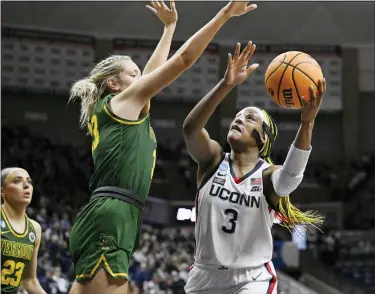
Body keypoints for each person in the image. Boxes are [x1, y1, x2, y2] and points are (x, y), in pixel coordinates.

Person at [68, 1, 258, 294]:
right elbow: (183, 60)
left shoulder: (123, 109)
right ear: (114, 84)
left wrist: (169, 28)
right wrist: (224, 15)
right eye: (133, 74)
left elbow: (150, 79)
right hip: (112, 212)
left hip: (115, 211)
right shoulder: (118, 104)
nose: (141, 78)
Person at [182, 42, 325, 294]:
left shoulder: (267, 176)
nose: (239, 119)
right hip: (204, 276)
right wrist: (226, 84)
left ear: (262, 138)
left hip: (251, 278)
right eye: (238, 116)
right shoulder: (213, 160)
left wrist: (307, 124)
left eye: (249, 118)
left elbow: (291, 177)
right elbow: (191, 129)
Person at [1, 167, 46, 294]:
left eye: (29, 181)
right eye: (17, 181)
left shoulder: (35, 229)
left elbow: (29, 281)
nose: (26, 185)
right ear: (3, 191)